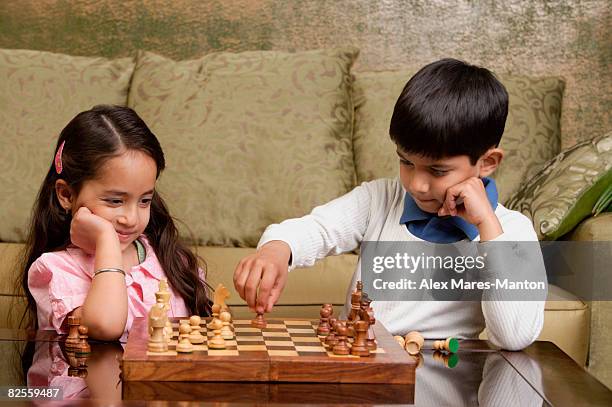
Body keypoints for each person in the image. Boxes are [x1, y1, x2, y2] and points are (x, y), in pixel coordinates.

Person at [233, 58, 546, 350]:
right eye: (406, 162)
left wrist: (487, 228)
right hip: (360, 370)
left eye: (437, 170)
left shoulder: (512, 231)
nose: (416, 184)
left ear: (487, 162)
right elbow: (316, 228)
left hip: (442, 376)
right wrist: (277, 249)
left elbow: (514, 336)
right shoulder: (379, 200)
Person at [20, 105, 210, 341]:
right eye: (115, 201)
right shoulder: (56, 270)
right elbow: (105, 326)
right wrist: (106, 240)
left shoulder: (168, 259)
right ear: (67, 195)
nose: (131, 218)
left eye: (144, 200)